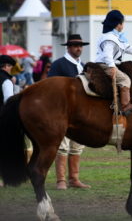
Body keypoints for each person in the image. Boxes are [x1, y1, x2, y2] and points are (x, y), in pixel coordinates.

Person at [48, 34, 90, 190]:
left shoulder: (83, 65)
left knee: (77, 146)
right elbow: (51, 87)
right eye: (75, 46)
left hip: (80, 113)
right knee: (62, 146)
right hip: (63, 111)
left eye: (80, 46)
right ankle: (61, 180)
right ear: (69, 47)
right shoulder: (59, 64)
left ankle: (74, 178)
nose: (79, 48)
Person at [0, 54, 16, 187]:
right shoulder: (6, 81)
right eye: (10, 66)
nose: (11, 69)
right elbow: (8, 101)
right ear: (6, 66)